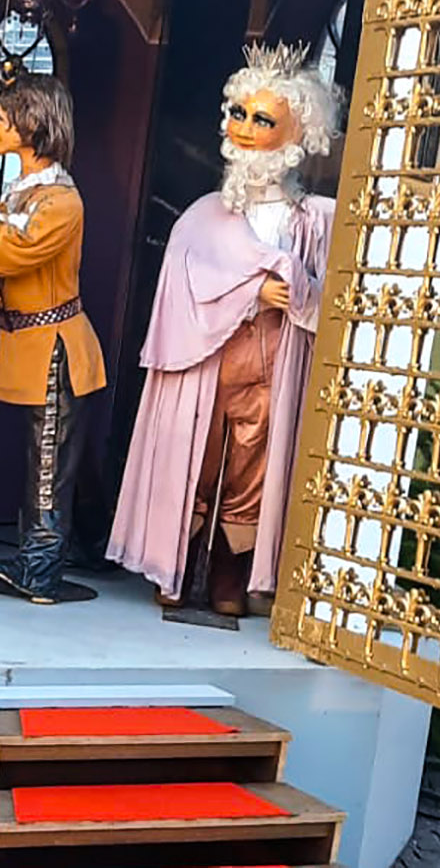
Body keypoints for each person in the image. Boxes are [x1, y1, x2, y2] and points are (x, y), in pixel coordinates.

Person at [108, 43, 337, 618]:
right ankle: (177, 563)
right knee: (197, 457)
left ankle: (231, 575)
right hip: (207, 357)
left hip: (274, 359)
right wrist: (252, 291)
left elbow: (329, 297)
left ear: (297, 132)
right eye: (239, 113)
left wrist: (295, 293)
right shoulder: (202, 215)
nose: (246, 128)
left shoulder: (313, 219)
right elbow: (182, 289)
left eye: (263, 120)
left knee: (253, 467)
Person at [0, 69, 106, 605]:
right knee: (42, 458)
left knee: (47, 464)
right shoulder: (29, 194)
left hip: (56, 351)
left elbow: (9, 247)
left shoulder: (61, 202)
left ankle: (42, 570)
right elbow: (2, 244)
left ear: (33, 124)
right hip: (32, 344)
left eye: (0, 118)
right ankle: (37, 559)